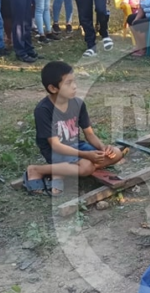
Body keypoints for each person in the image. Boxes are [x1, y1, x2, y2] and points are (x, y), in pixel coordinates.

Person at [23, 61, 123, 196]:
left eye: (74, 82)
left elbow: (89, 134)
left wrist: (102, 148)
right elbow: (56, 146)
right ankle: (37, 170)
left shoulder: (78, 104)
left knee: (117, 153)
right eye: (68, 83)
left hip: (77, 146)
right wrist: (86, 155)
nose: (75, 87)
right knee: (87, 167)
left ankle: (62, 170)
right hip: (55, 151)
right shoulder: (44, 110)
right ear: (53, 88)